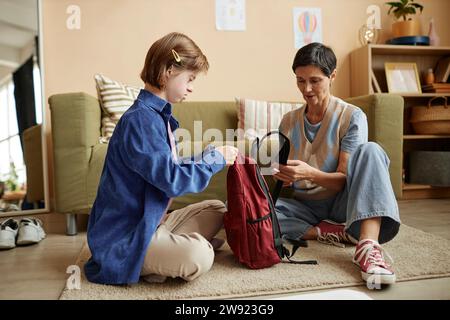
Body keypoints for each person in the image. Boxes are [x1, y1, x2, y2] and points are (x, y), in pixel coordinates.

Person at [84, 32, 238, 285]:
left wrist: (212, 154)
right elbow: (172, 181)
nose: (191, 87)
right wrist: (214, 160)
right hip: (126, 237)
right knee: (199, 255)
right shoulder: (140, 120)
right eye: (189, 78)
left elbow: (170, 169)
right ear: (168, 71)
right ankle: (156, 259)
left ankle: (163, 256)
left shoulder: (156, 116)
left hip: (152, 222)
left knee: (217, 209)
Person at [273, 42, 401, 286]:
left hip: (344, 202)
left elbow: (345, 179)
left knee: (371, 150)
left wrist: (309, 174)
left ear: (332, 76)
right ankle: (328, 231)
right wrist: (282, 173)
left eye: (315, 80)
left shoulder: (352, 117)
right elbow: (285, 175)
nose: (306, 89)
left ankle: (368, 247)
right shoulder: (288, 122)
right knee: (251, 211)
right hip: (306, 207)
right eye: (300, 80)